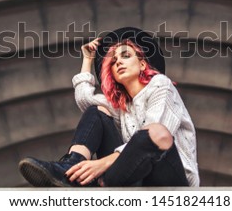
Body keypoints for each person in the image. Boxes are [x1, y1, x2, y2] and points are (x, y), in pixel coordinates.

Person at [19, 27, 200, 187]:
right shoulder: (122, 105)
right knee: (97, 111)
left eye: (126, 56)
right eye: (113, 61)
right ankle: (71, 168)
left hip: (170, 177)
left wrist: (102, 164)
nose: (119, 62)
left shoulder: (160, 85)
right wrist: (87, 60)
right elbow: (85, 100)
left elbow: (156, 138)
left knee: (155, 132)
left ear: (143, 63)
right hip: (131, 175)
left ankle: (94, 180)